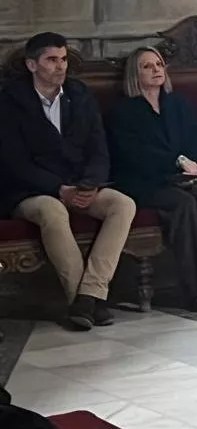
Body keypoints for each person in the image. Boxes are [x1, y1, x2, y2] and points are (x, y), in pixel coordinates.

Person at [0, 33, 135, 330]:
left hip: (78, 185)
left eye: (63, 59)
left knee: (122, 205)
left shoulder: (80, 94)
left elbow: (99, 149)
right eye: (52, 60)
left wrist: (90, 185)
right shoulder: (9, 101)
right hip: (31, 191)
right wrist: (59, 189)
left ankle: (91, 293)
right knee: (52, 210)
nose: (60, 66)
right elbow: (13, 162)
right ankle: (80, 299)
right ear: (32, 65)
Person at [106, 47, 197, 312]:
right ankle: (194, 286)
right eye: (147, 66)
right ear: (134, 74)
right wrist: (175, 161)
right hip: (146, 180)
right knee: (183, 204)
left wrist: (193, 163)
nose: (156, 70)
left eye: (159, 64)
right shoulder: (124, 111)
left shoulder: (178, 104)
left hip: (183, 177)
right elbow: (135, 154)